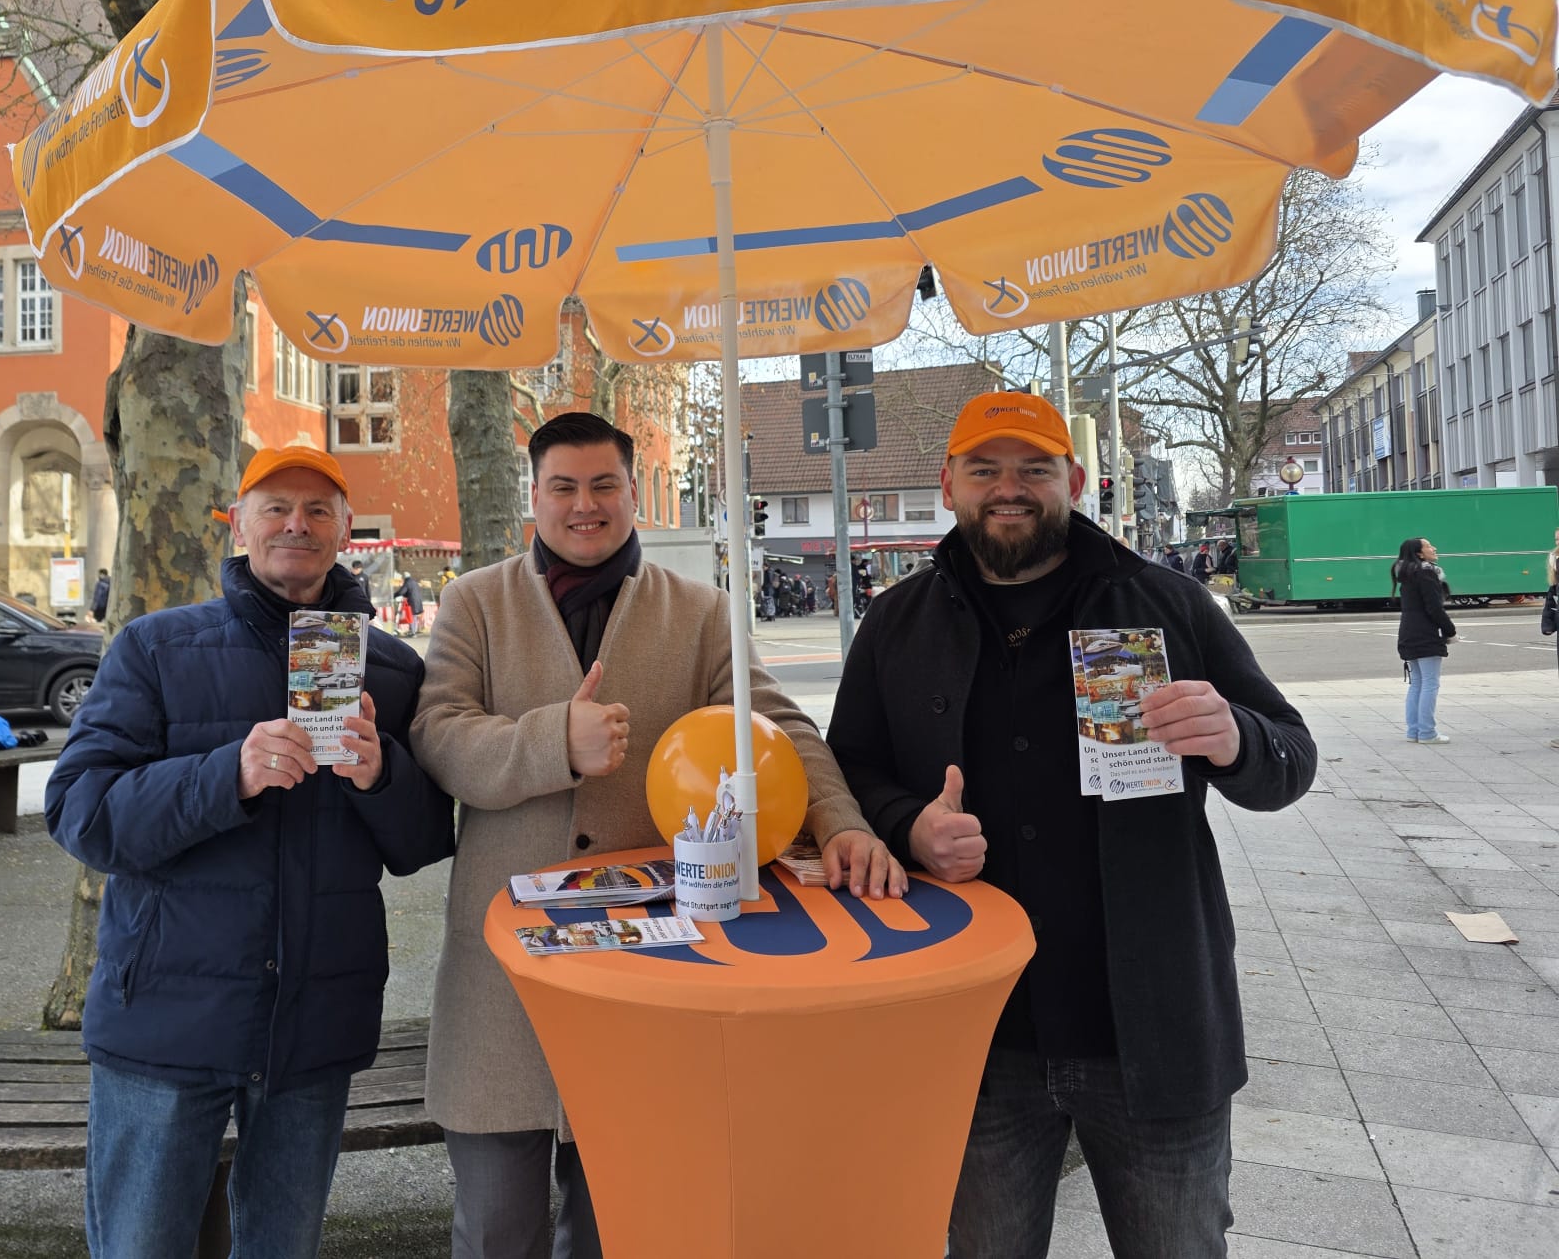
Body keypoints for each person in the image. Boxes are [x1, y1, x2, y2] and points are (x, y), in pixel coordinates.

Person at [826, 391, 1316, 1259]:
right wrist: (908, 829)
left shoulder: (1167, 603)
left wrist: (1235, 737)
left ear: (1075, 480)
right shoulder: (897, 622)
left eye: (1033, 469)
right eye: (984, 469)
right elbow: (846, 771)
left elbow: (1290, 758)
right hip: (975, 1037)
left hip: (1154, 1029)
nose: (1007, 488)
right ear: (949, 484)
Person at [411, 411, 898, 1259]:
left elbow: (777, 727)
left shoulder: (700, 613)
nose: (585, 505)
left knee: (623, 1226)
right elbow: (440, 736)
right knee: (495, 1229)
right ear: (534, 495)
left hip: (651, 967)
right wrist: (552, 741)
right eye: (563, 486)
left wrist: (843, 824)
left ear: (635, 493)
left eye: (605, 485)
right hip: (503, 982)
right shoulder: (474, 602)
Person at [46, 444, 453, 1259]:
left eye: (317, 510)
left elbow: (422, 841)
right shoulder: (156, 649)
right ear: (240, 523)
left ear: (344, 530)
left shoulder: (396, 671)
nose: (295, 524)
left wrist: (381, 777)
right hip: (165, 1018)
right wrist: (223, 774)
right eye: (275, 507)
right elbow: (81, 813)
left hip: (312, 1024)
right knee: (139, 1246)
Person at [1394, 537, 1454, 746]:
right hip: (1426, 634)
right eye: (1428, 546)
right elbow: (1434, 608)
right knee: (1430, 683)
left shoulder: (1407, 575)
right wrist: (1450, 630)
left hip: (1408, 632)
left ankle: (1414, 731)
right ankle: (1427, 732)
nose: (1434, 548)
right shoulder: (1426, 573)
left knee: (1417, 683)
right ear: (1419, 553)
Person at [399, 569, 423, 634]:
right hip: (417, 601)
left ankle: (413, 631)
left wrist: (395, 595)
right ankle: (413, 630)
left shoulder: (407, 582)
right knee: (414, 616)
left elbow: (402, 591)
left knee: (411, 616)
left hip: (412, 602)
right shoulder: (414, 582)